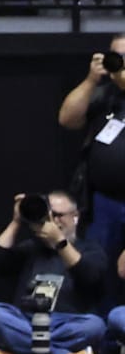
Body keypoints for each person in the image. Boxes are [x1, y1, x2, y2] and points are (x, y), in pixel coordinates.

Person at [0, 193, 107, 354]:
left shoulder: (90, 248)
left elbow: (90, 275)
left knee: (95, 326)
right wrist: (17, 221)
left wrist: (59, 241)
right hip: (26, 321)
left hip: (67, 322)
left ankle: (19, 353)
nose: (52, 220)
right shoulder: (31, 248)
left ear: (75, 216)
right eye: (48, 214)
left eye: (58, 215)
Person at [55, 36, 125, 284]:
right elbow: (67, 119)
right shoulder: (104, 94)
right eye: (117, 57)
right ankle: (101, 320)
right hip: (104, 201)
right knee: (100, 266)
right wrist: (91, 79)